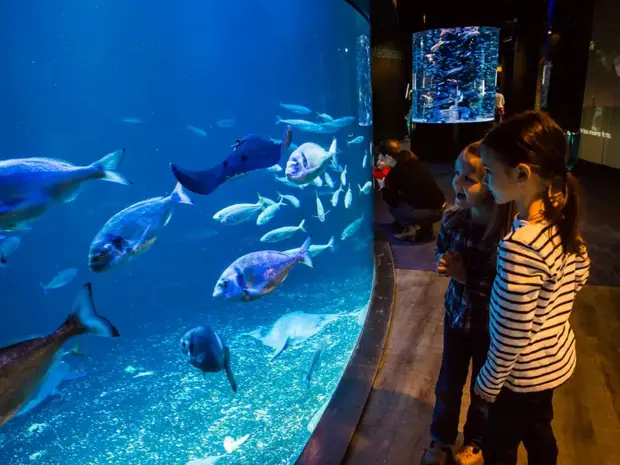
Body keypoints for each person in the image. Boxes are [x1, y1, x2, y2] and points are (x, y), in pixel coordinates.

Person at [474, 111, 591, 465]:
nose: (487, 180)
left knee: (499, 445)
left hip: (520, 375)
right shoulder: (560, 220)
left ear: (522, 173)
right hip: (553, 362)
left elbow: (512, 333)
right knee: (539, 428)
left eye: (490, 172)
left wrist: (488, 383)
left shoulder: (521, 245)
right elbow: (580, 275)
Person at [421, 142, 514, 465]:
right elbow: (441, 250)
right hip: (457, 317)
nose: (456, 184)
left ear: (491, 183)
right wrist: (443, 262)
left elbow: (507, 290)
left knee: (483, 388)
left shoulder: (506, 235)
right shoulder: (453, 220)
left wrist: (464, 277)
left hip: (491, 326)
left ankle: (476, 440)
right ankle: (440, 438)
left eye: (468, 179)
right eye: (457, 174)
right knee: (448, 383)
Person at [379, 139, 446, 241]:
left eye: (381, 158)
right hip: (442, 207)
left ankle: (410, 228)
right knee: (411, 196)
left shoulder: (395, 171)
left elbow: (391, 201)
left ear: (387, 156)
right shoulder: (415, 162)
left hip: (432, 211)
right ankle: (425, 226)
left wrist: (383, 185)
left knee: (394, 209)